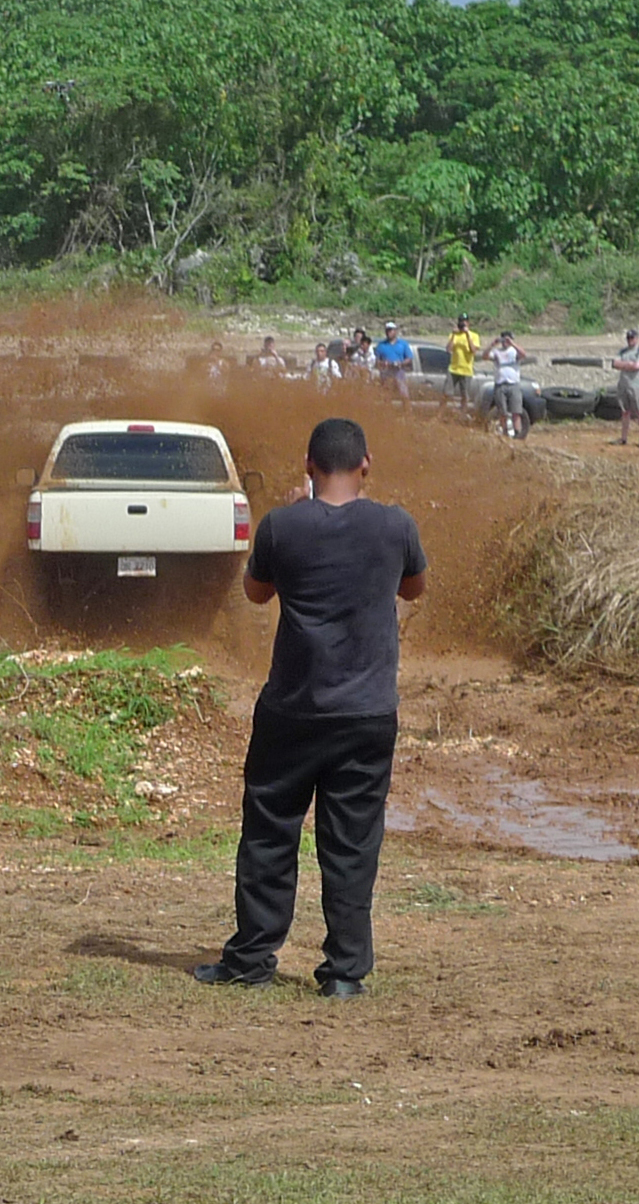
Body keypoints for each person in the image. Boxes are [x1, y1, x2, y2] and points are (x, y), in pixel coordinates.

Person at [194, 418, 427, 998]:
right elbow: (414, 589)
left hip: (293, 709)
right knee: (351, 844)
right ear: (366, 463)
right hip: (368, 713)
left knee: (270, 833)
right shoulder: (395, 525)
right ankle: (344, 975)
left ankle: (251, 960)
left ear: (308, 465)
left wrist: (295, 517)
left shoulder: (281, 526)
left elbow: (255, 592)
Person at [484, 332, 528, 438]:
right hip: (500, 384)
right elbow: (484, 356)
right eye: (503, 340)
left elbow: (524, 354)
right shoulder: (496, 352)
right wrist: (492, 344)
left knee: (516, 411)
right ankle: (505, 432)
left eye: (507, 340)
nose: (505, 342)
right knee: (502, 411)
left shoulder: (514, 351)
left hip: (513, 384)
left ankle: (517, 433)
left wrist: (512, 344)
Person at [615, 330, 639, 446]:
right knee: (625, 412)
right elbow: (615, 364)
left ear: (637, 338)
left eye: (632, 338)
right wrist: (630, 365)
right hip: (624, 385)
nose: (630, 340)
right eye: (628, 338)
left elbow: (637, 366)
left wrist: (624, 365)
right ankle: (623, 438)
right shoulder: (622, 351)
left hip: (637, 386)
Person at [445, 314, 480, 409]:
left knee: (465, 395)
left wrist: (467, 334)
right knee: (447, 393)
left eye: (464, 322)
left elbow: (473, 350)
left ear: (468, 323)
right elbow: (448, 349)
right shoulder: (454, 335)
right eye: (460, 321)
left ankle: (462, 412)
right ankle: (441, 413)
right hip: (453, 368)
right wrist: (453, 335)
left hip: (466, 370)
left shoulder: (474, 335)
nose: (462, 323)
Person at [374, 322, 413, 404]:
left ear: (395, 331)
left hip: (399, 372)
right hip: (386, 372)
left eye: (391, 330)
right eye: (387, 331)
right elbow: (376, 360)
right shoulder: (381, 345)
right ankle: (388, 413)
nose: (389, 332)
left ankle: (408, 414)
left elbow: (409, 358)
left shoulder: (403, 344)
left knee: (404, 395)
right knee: (387, 395)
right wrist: (383, 363)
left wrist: (401, 363)